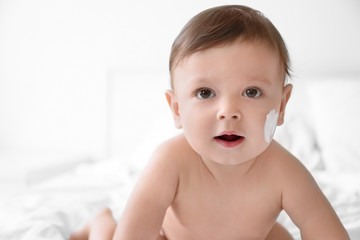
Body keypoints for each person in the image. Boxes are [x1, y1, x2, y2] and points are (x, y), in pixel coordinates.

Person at [70, 5, 349, 240]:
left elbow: (329, 232)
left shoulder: (285, 172)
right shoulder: (170, 161)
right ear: (177, 110)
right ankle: (101, 220)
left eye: (251, 92)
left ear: (281, 105)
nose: (228, 112)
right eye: (205, 93)